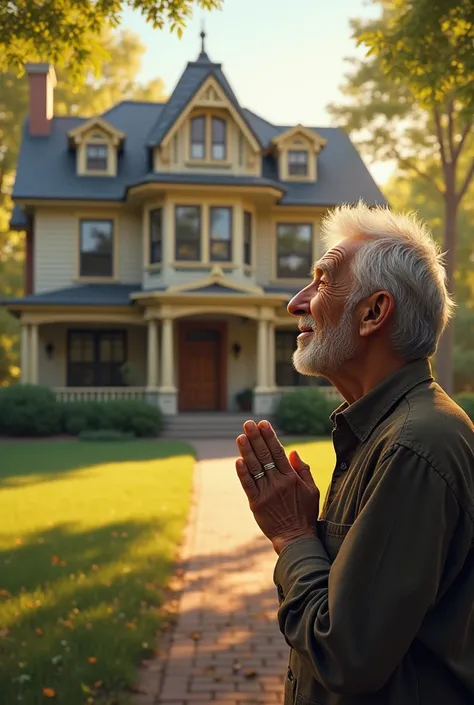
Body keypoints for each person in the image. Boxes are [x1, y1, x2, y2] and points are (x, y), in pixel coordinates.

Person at [235, 203, 474, 705]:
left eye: (321, 281)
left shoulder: (414, 446)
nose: (295, 303)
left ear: (373, 313)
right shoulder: (384, 430)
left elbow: (344, 654)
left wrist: (293, 535)